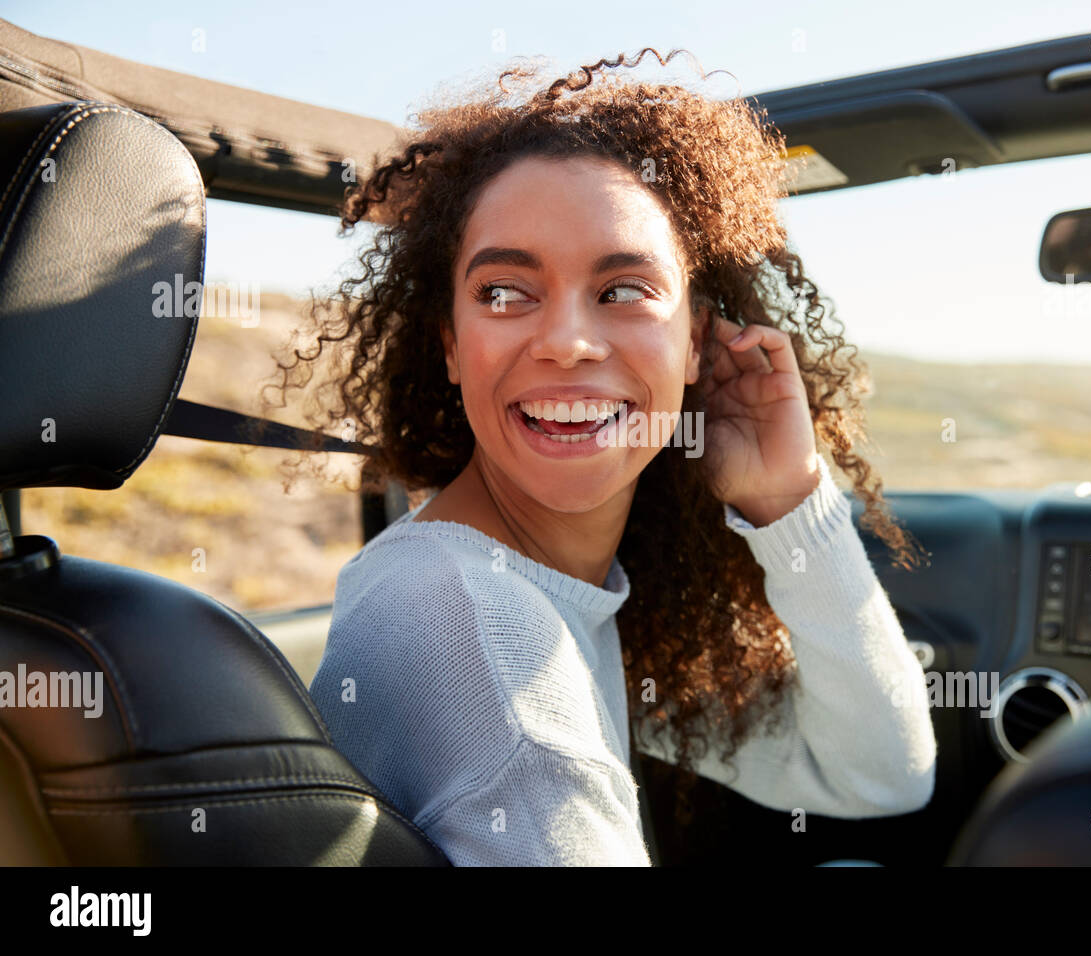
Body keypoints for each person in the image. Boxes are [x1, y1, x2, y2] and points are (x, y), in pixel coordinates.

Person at [274, 48, 936, 865]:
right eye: (505, 293)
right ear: (450, 345)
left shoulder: (563, 595)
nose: (567, 343)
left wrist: (789, 500)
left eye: (622, 291)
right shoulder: (477, 624)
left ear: (695, 341)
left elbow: (884, 775)